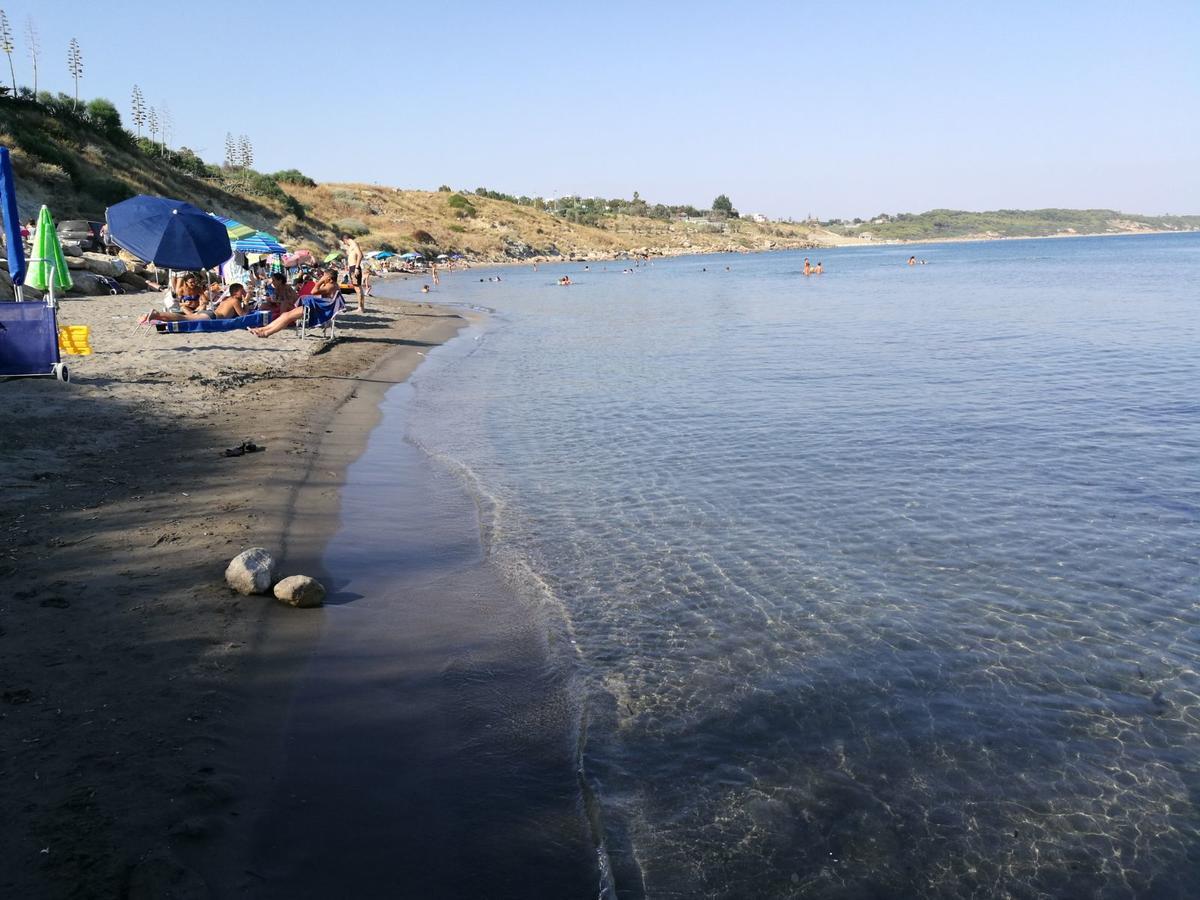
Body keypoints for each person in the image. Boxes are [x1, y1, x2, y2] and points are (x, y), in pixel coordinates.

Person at [250, 271, 339, 337]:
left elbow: (314, 291)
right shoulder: (333, 285)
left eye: (324, 276)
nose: (322, 278)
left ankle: (266, 332)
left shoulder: (330, 286)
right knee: (285, 316)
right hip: (314, 308)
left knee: (286, 317)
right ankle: (263, 329)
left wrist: (320, 282)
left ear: (329, 279)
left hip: (316, 310)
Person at [141, 283, 251, 323]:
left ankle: (157, 316)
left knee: (183, 318)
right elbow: (243, 316)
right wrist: (246, 302)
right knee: (184, 319)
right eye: (242, 291)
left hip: (210, 313)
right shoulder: (235, 300)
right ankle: (157, 314)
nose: (244, 292)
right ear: (236, 293)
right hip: (212, 316)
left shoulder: (227, 298)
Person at [340, 234, 365, 312]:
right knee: (358, 288)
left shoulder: (353, 244)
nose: (345, 244)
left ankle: (360, 308)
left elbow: (360, 255)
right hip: (352, 267)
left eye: (344, 243)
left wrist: (357, 267)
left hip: (354, 267)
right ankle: (361, 307)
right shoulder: (352, 245)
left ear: (345, 240)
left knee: (357, 288)